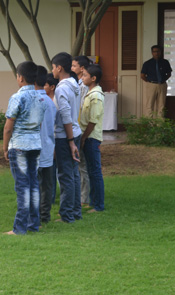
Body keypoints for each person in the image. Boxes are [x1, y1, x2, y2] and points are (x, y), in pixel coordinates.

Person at [3, 61, 47, 235]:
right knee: (33, 184)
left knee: (22, 186)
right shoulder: (42, 98)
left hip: (19, 145)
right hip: (35, 144)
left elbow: (8, 127)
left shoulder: (17, 97)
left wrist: (5, 148)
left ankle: (19, 228)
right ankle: (33, 224)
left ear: (20, 78)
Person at [51, 52, 82, 223]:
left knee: (65, 176)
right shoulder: (74, 84)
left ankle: (67, 215)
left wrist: (70, 142)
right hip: (74, 133)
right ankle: (75, 212)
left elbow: (65, 116)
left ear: (59, 68)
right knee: (73, 174)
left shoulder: (62, 88)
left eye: (53, 67)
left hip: (66, 137)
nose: (52, 71)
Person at [80, 64, 105, 213]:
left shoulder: (96, 96)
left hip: (91, 138)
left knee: (95, 171)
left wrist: (84, 137)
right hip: (88, 137)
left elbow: (93, 120)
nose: (82, 78)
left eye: (85, 75)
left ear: (93, 78)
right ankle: (93, 201)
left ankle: (98, 205)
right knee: (90, 170)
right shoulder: (90, 93)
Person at [35, 66, 57, 224]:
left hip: (34, 148)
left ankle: (35, 215)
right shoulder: (50, 102)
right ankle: (45, 215)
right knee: (47, 185)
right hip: (49, 147)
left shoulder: (30, 100)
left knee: (34, 183)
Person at [72, 55, 91, 208]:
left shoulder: (83, 87)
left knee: (82, 164)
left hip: (80, 127)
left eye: (74, 66)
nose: (72, 68)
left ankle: (84, 197)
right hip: (78, 127)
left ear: (82, 68)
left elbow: (82, 108)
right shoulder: (77, 83)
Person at [141, 45, 172, 117]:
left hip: (162, 85)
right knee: (149, 105)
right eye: (154, 52)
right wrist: (150, 81)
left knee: (161, 105)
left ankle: (160, 124)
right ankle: (150, 124)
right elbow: (142, 75)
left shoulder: (165, 62)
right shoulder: (147, 63)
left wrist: (163, 80)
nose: (156, 53)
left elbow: (169, 74)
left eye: (158, 51)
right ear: (152, 53)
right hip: (151, 85)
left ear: (160, 52)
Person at [44, 73, 59, 205]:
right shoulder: (46, 100)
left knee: (54, 169)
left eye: (45, 85)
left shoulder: (54, 102)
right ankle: (51, 197)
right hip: (50, 139)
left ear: (52, 87)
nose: (43, 87)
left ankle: (51, 196)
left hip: (55, 138)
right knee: (51, 169)